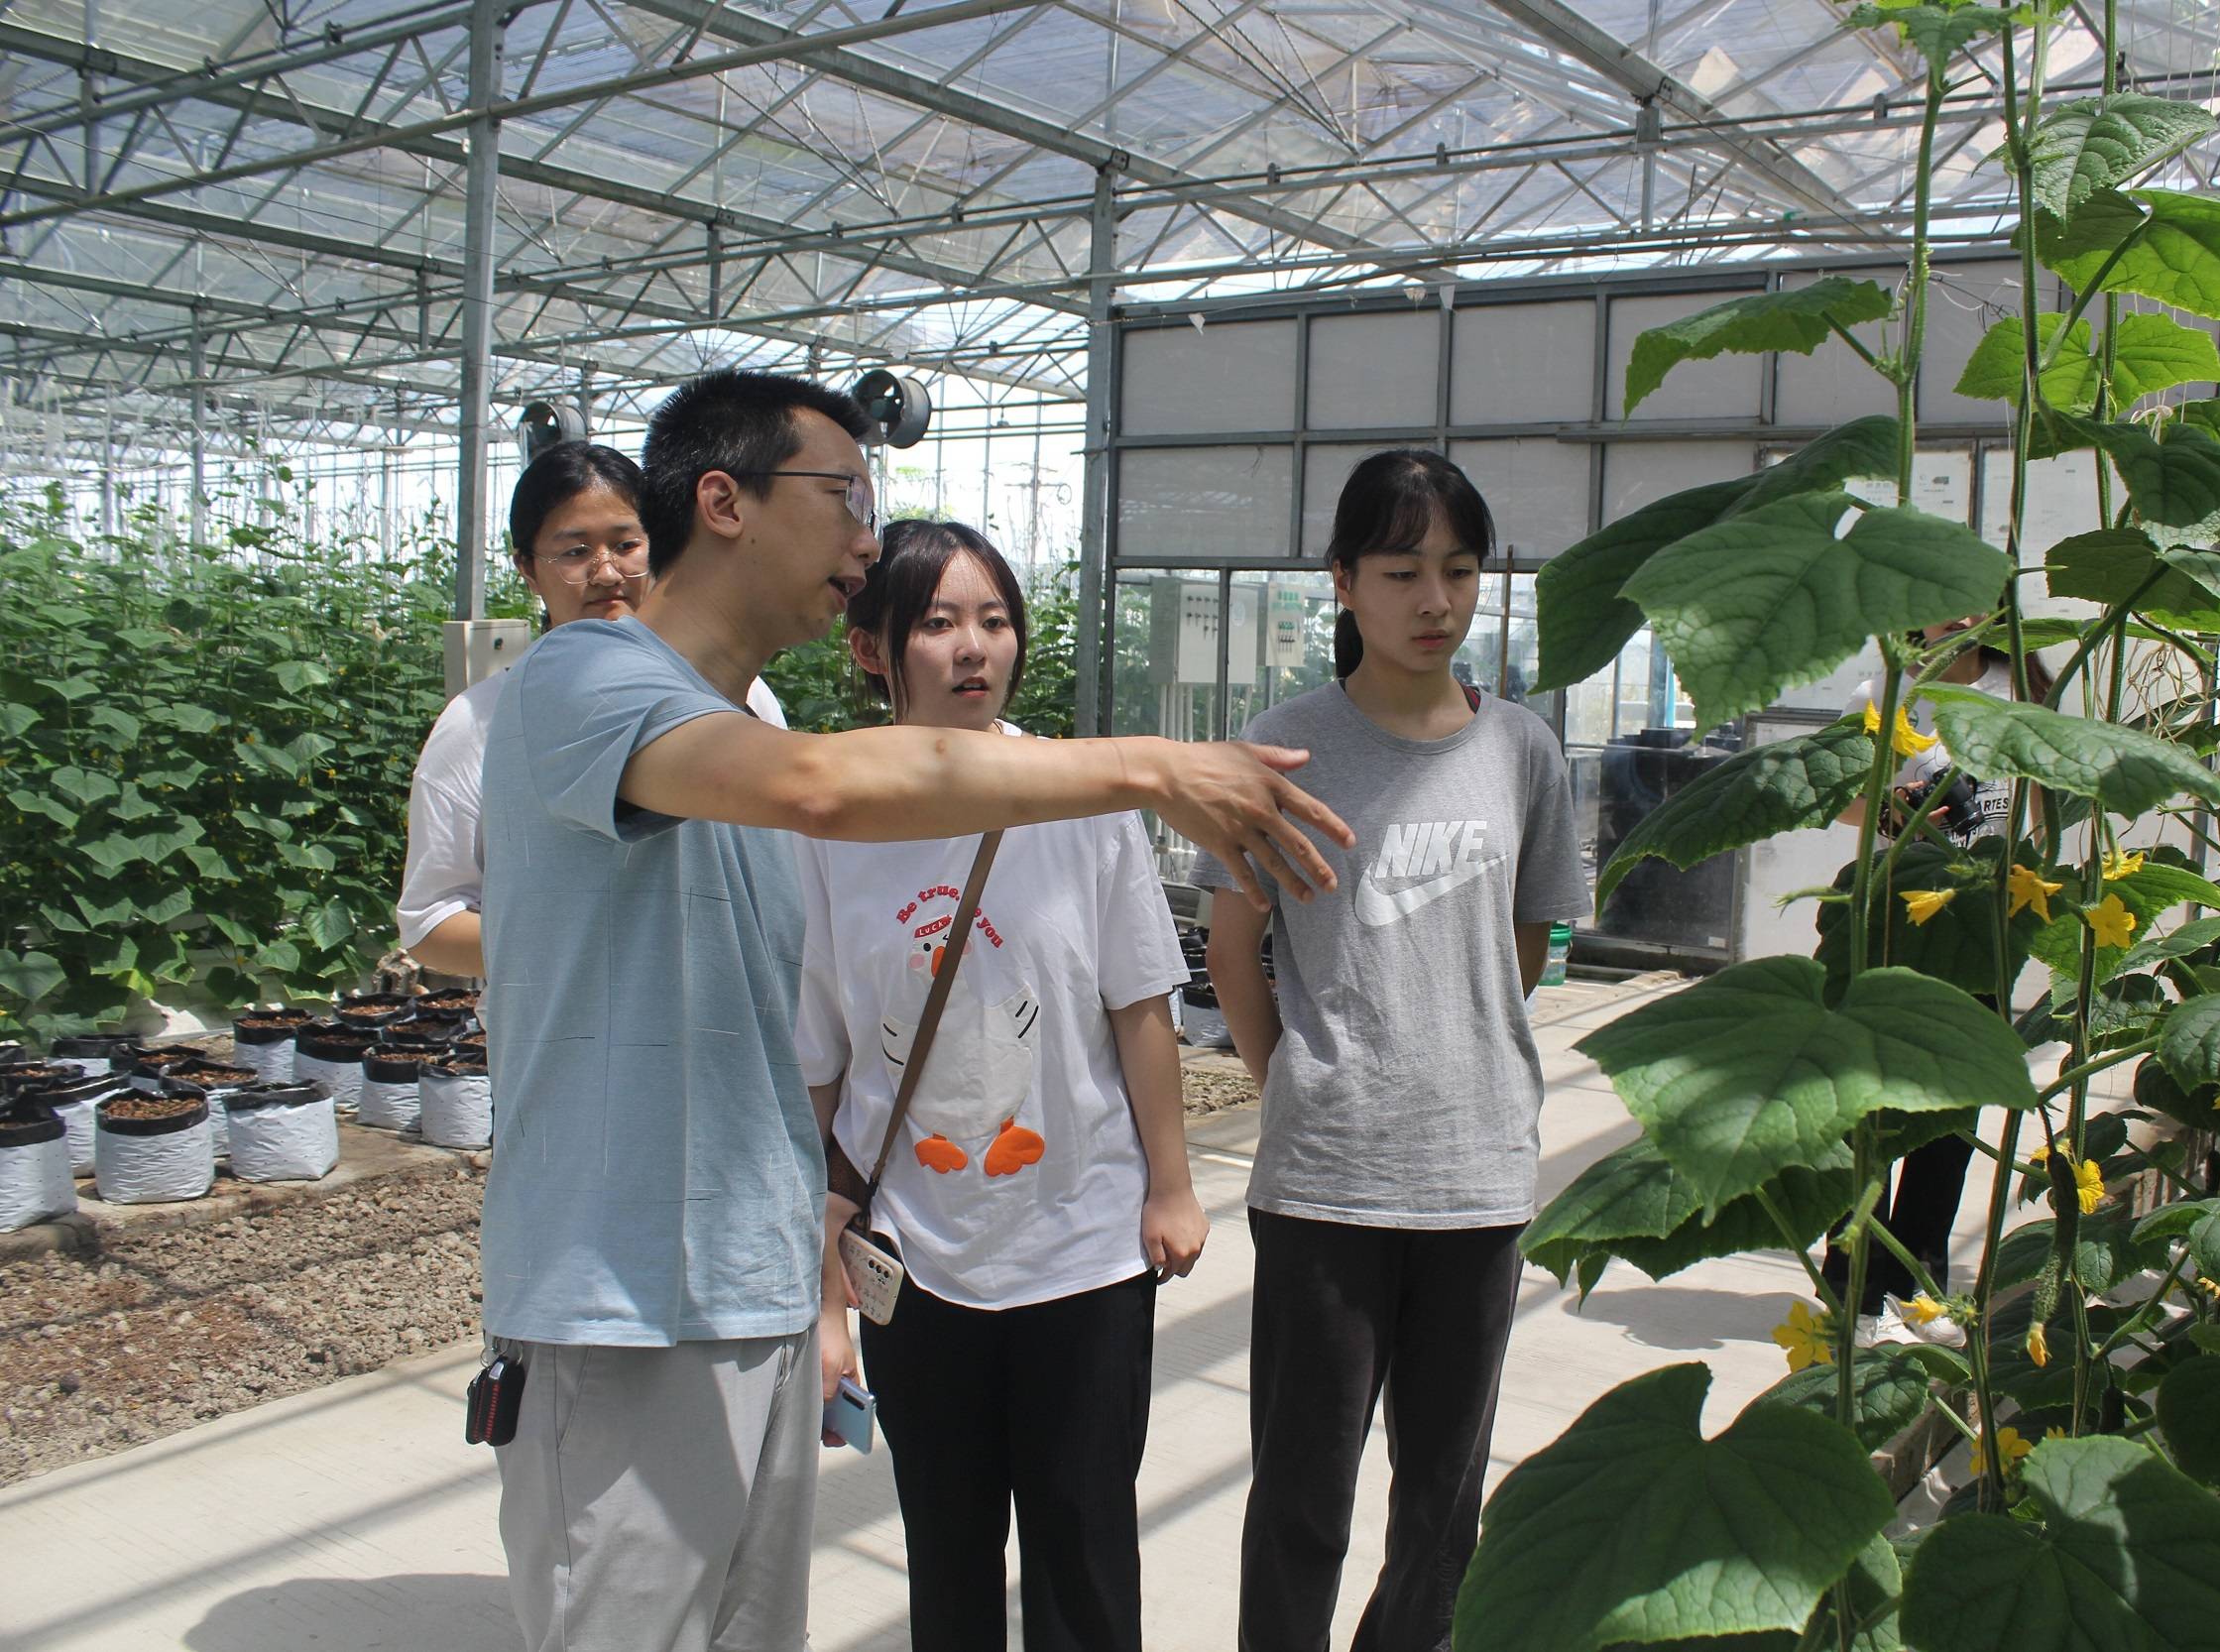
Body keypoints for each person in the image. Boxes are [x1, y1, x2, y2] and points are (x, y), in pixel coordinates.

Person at [477, 369, 1351, 1652]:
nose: (866, 538)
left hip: (750, 1299)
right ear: (722, 500)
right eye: (842, 495)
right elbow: (831, 790)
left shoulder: (749, 717)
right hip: (624, 1311)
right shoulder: (584, 682)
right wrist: (1152, 766)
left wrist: (817, 1276)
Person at [792, 520, 1206, 1652]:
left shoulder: (1082, 796)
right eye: (937, 623)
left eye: (994, 620)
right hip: (916, 1257)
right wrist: (819, 1269)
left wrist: (1170, 1185)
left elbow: (1138, 1003)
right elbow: (819, 1053)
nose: (975, 648)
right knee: (950, 1554)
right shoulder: (830, 819)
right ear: (874, 648)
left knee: (1083, 1550)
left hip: (1080, 1244)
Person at [1200, 450, 1586, 1652]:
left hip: (1476, 1177)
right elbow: (1232, 949)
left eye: (1459, 571)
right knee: (1301, 1502)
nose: (1435, 600)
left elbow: (1524, 947)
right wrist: (1296, 1081)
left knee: (1441, 1512)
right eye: (1402, 569)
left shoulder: (1521, 749)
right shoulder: (1281, 746)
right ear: (1343, 584)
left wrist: (1453, 1048)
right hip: (1325, 1184)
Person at [394, 441, 787, 980]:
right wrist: (587, 950)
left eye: (627, 544)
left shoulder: (743, 696)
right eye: (574, 552)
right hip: (568, 1039)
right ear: (528, 570)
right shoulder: (480, 722)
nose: (607, 573)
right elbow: (431, 922)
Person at [1827, 614, 2051, 1339]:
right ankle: (1854, 1294)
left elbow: (2043, 802)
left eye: (1968, 610)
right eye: (1936, 611)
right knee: (1868, 1111)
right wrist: (1901, 818)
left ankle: (1918, 1287)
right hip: (1896, 919)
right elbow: (1840, 798)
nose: (1952, 625)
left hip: (1983, 928)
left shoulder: (2019, 694)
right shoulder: (1885, 694)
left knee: (1949, 1121)